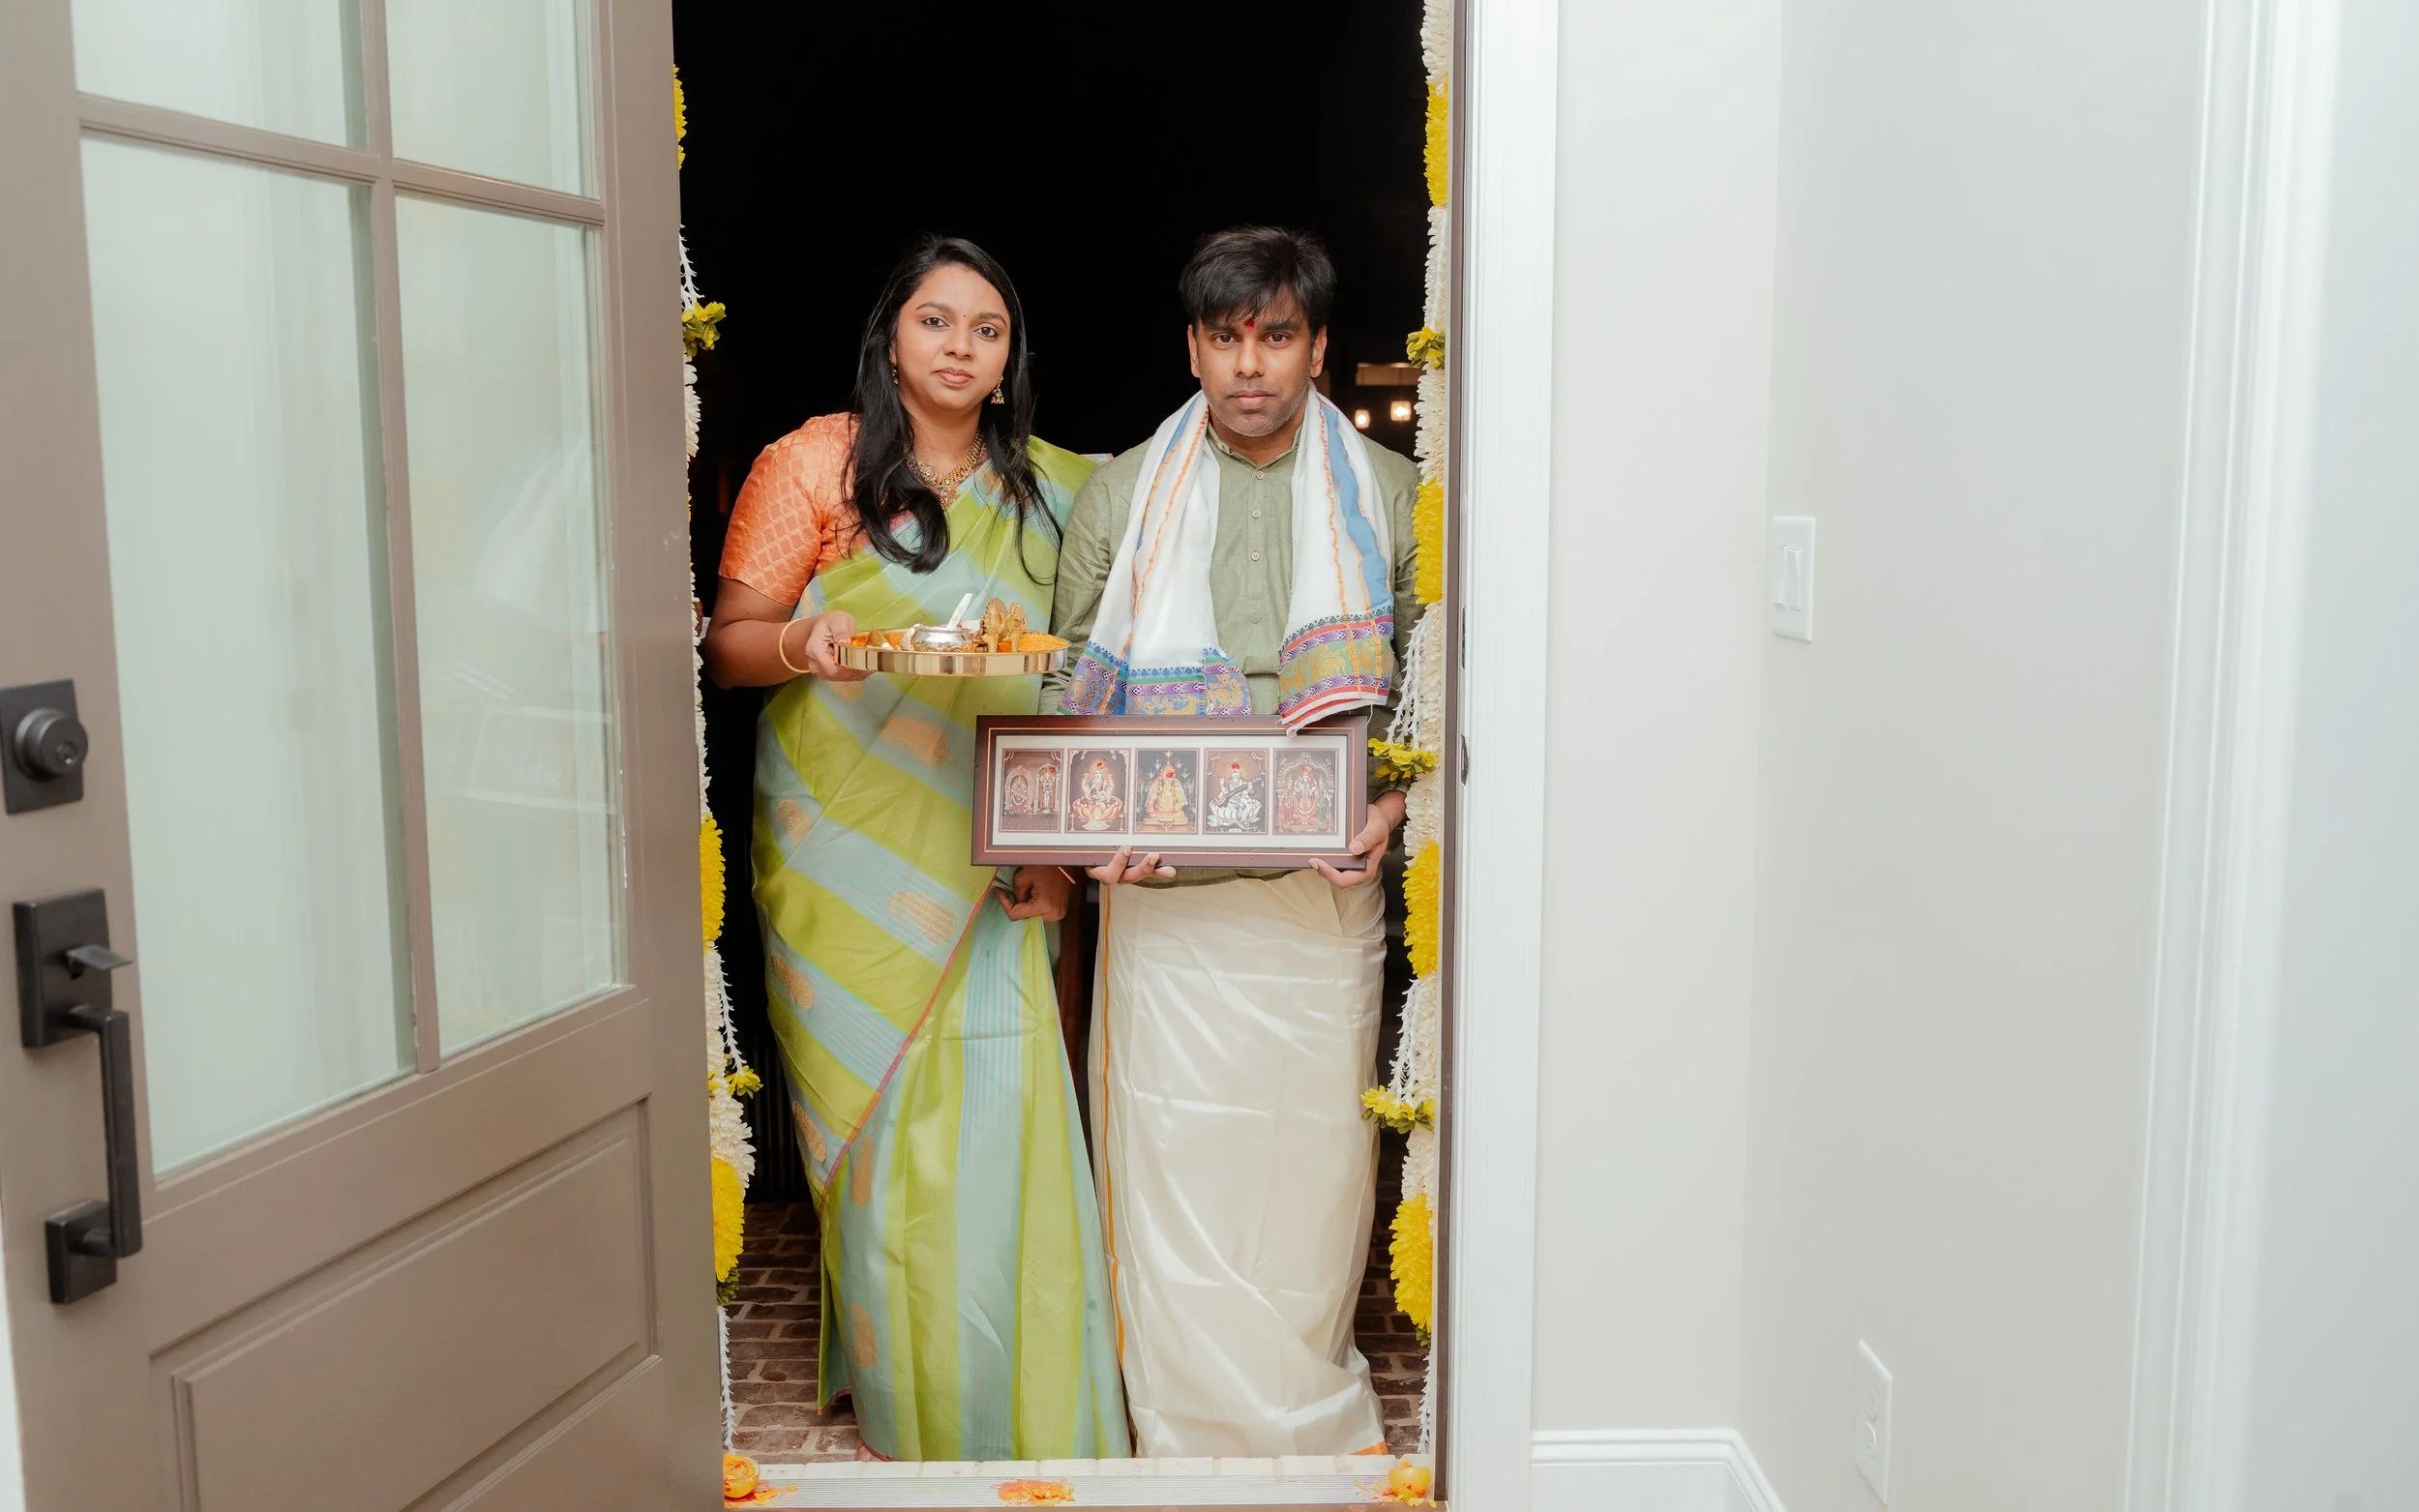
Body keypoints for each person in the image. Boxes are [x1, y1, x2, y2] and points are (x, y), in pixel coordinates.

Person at [703, 235, 1126, 1462]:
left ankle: (1019, 1396)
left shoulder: (1053, 491)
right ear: (891, 335)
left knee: (1000, 1109)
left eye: (987, 330)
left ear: (1009, 358)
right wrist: (806, 646)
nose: (959, 347)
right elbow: (731, 642)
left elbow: (1071, 679)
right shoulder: (813, 463)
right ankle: (914, 1395)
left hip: (990, 841)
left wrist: (1053, 845)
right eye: (935, 320)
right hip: (835, 840)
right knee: (875, 1119)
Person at [1043, 226, 1425, 1458]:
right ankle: (1181, 1421)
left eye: (1275, 336)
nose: (1248, 364)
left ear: (1317, 347)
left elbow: (1435, 694)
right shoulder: (1124, 494)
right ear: (1192, 348)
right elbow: (1067, 686)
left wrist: (1389, 813)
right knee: (1174, 1146)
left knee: (1308, 1160)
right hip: (1166, 899)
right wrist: (1087, 830)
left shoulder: (1392, 494)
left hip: (1320, 895)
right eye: (1225, 337)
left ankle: (1297, 1408)